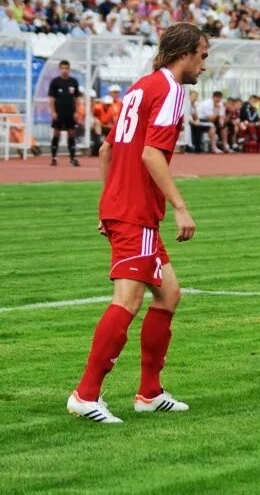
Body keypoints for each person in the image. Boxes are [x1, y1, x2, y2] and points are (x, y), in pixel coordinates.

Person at [66, 23, 208, 423]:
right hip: (138, 212)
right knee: (127, 300)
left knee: (169, 293)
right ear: (185, 53)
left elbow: (106, 149)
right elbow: (150, 155)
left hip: (123, 206)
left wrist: (106, 205)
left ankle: (149, 393)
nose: (204, 64)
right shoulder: (171, 91)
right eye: (203, 55)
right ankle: (86, 394)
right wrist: (179, 206)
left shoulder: (140, 86)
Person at [48, 59, 81, 167]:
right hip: (59, 112)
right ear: (59, 69)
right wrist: (53, 111)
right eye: (62, 68)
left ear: (69, 69)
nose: (64, 70)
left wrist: (77, 111)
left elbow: (77, 98)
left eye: (66, 68)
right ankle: (53, 157)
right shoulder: (55, 82)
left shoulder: (73, 82)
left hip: (70, 113)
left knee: (71, 133)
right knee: (56, 132)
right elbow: (52, 98)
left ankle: (72, 158)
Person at [91, 84, 123, 155]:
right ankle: (98, 142)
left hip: (111, 125)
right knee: (96, 123)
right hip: (101, 125)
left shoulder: (119, 104)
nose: (115, 94)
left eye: (117, 92)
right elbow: (94, 117)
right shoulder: (99, 106)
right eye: (114, 92)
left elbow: (116, 118)